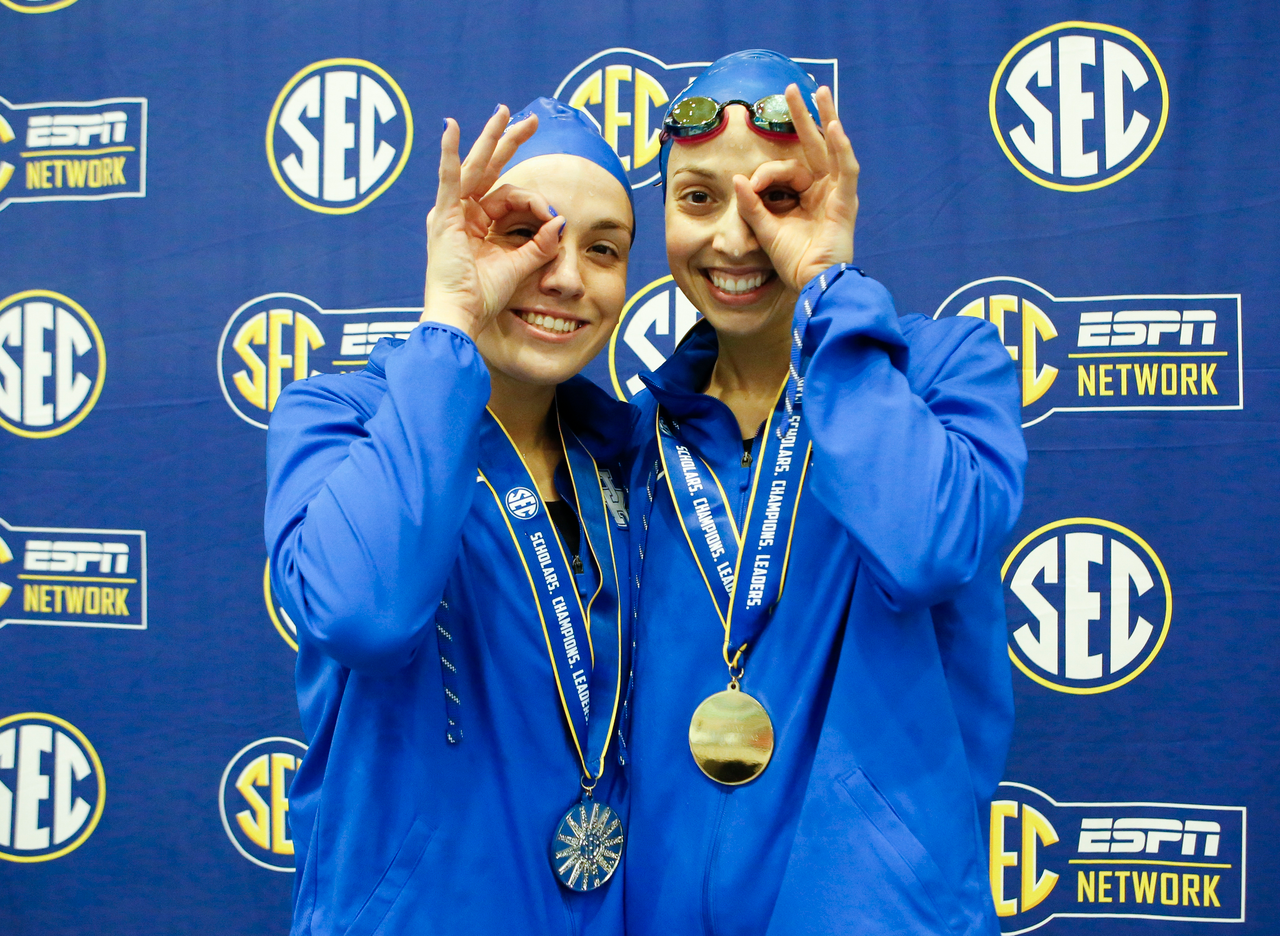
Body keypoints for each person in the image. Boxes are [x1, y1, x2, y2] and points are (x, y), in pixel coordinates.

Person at [623, 50, 1027, 935]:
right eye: (697, 197)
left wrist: (829, 290)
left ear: (834, 199)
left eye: (778, 199)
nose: (736, 239)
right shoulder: (636, 439)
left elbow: (924, 548)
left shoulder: (943, 373)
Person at [264, 98, 636, 936]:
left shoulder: (626, 456)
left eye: (603, 249)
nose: (566, 275)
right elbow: (367, 615)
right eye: (523, 235)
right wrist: (450, 324)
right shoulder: (342, 418)